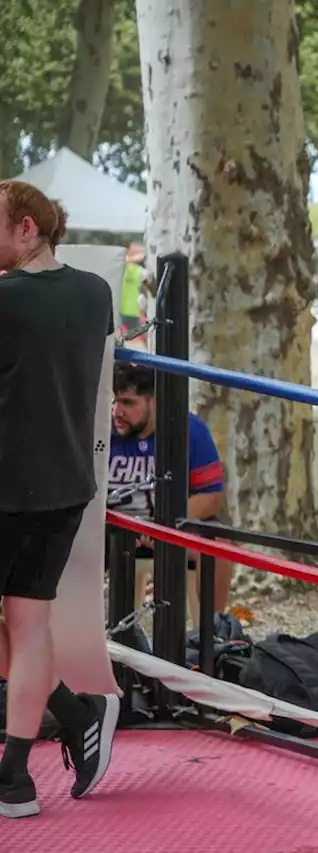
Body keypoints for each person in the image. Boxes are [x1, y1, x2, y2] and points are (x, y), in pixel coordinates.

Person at [0, 180, 120, 817]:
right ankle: (20, 770)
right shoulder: (95, 292)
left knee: (22, 626)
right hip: (65, 483)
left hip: (11, 484)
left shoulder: (8, 300)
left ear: (25, 229)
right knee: (26, 623)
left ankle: (65, 724)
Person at [107, 364, 232, 617]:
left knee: (219, 546)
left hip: (167, 528)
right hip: (110, 529)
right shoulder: (98, 431)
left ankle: (214, 635)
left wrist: (162, 524)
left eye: (128, 403)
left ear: (154, 402)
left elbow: (211, 497)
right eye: (114, 402)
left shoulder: (189, 430)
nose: (116, 412)